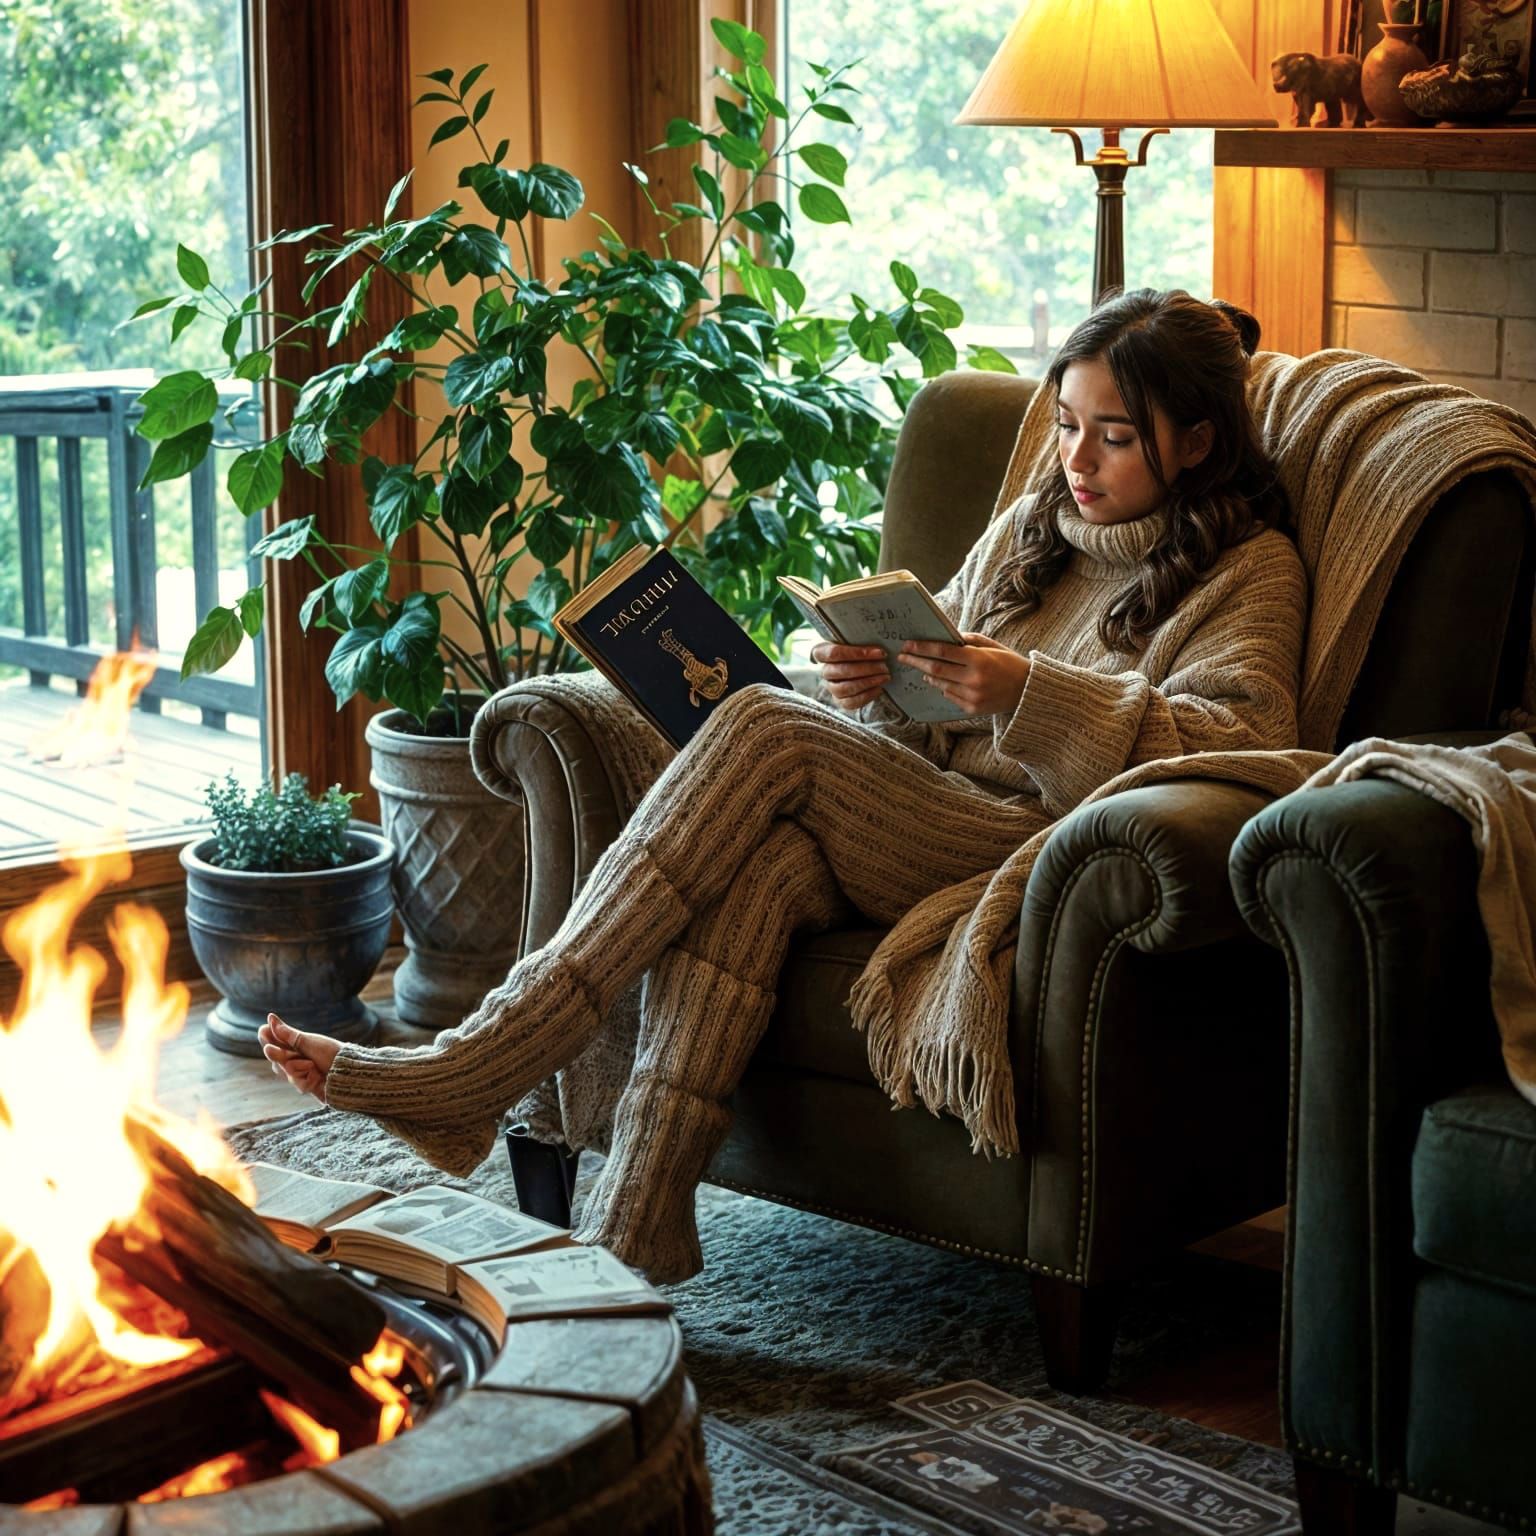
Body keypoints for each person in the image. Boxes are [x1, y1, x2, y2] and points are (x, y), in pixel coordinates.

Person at [259, 288, 1307, 1284]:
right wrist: (874, 682)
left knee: (762, 720)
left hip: (1034, 844)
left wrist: (1027, 691)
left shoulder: (1250, 572)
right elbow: (934, 687)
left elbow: (1242, 744)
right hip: (923, 807)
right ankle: (635, 1228)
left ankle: (488, 1058)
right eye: (1067, 423)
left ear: (1199, 439)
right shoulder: (1037, 528)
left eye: (1112, 435)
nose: (1074, 458)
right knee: (770, 862)